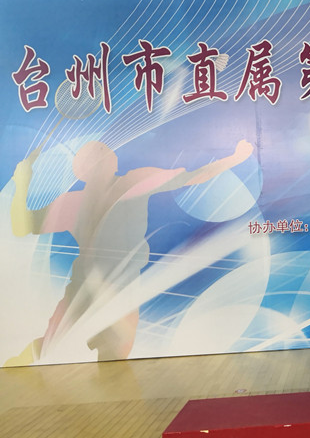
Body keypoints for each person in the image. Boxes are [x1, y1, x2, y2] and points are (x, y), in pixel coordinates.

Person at [9, 139, 254, 365]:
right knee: (93, 352)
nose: (107, 154)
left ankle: (24, 367)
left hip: (103, 288)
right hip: (113, 288)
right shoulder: (130, 183)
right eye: (100, 153)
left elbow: (22, 226)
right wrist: (235, 158)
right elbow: (194, 177)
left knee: (79, 348)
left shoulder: (88, 197)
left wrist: (21, 182)